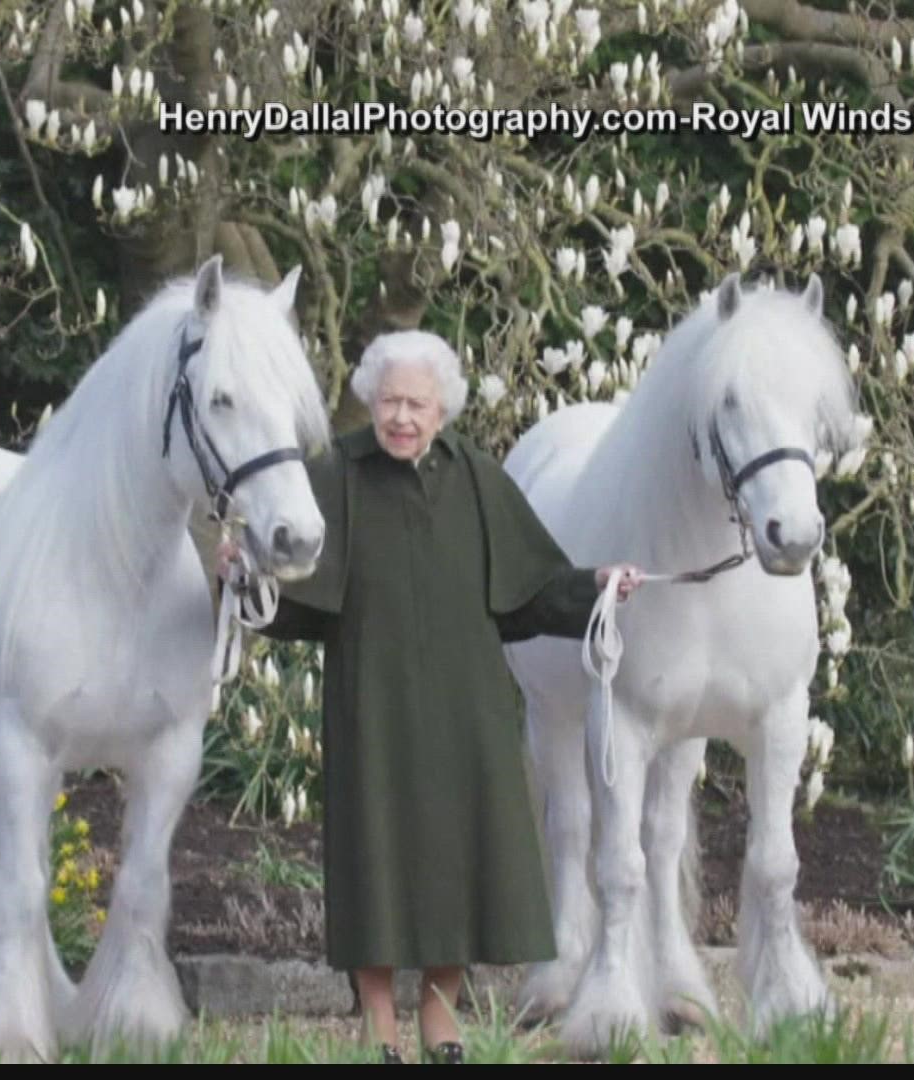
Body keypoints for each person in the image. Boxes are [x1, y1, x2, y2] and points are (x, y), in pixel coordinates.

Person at [218, 330, 640, 1063]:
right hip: (370, 703)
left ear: (442, 409)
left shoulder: (476, 475)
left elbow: (532, 592)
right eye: (388, 402)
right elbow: (295, 600)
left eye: (415, 403)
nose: (401, 418)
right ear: (369, 405)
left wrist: (597, 585)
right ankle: (378, 1027)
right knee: (372, 860)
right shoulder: (338, 475)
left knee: (458, 860)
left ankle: (441, 1021)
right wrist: (243, 576)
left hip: (466, 706)